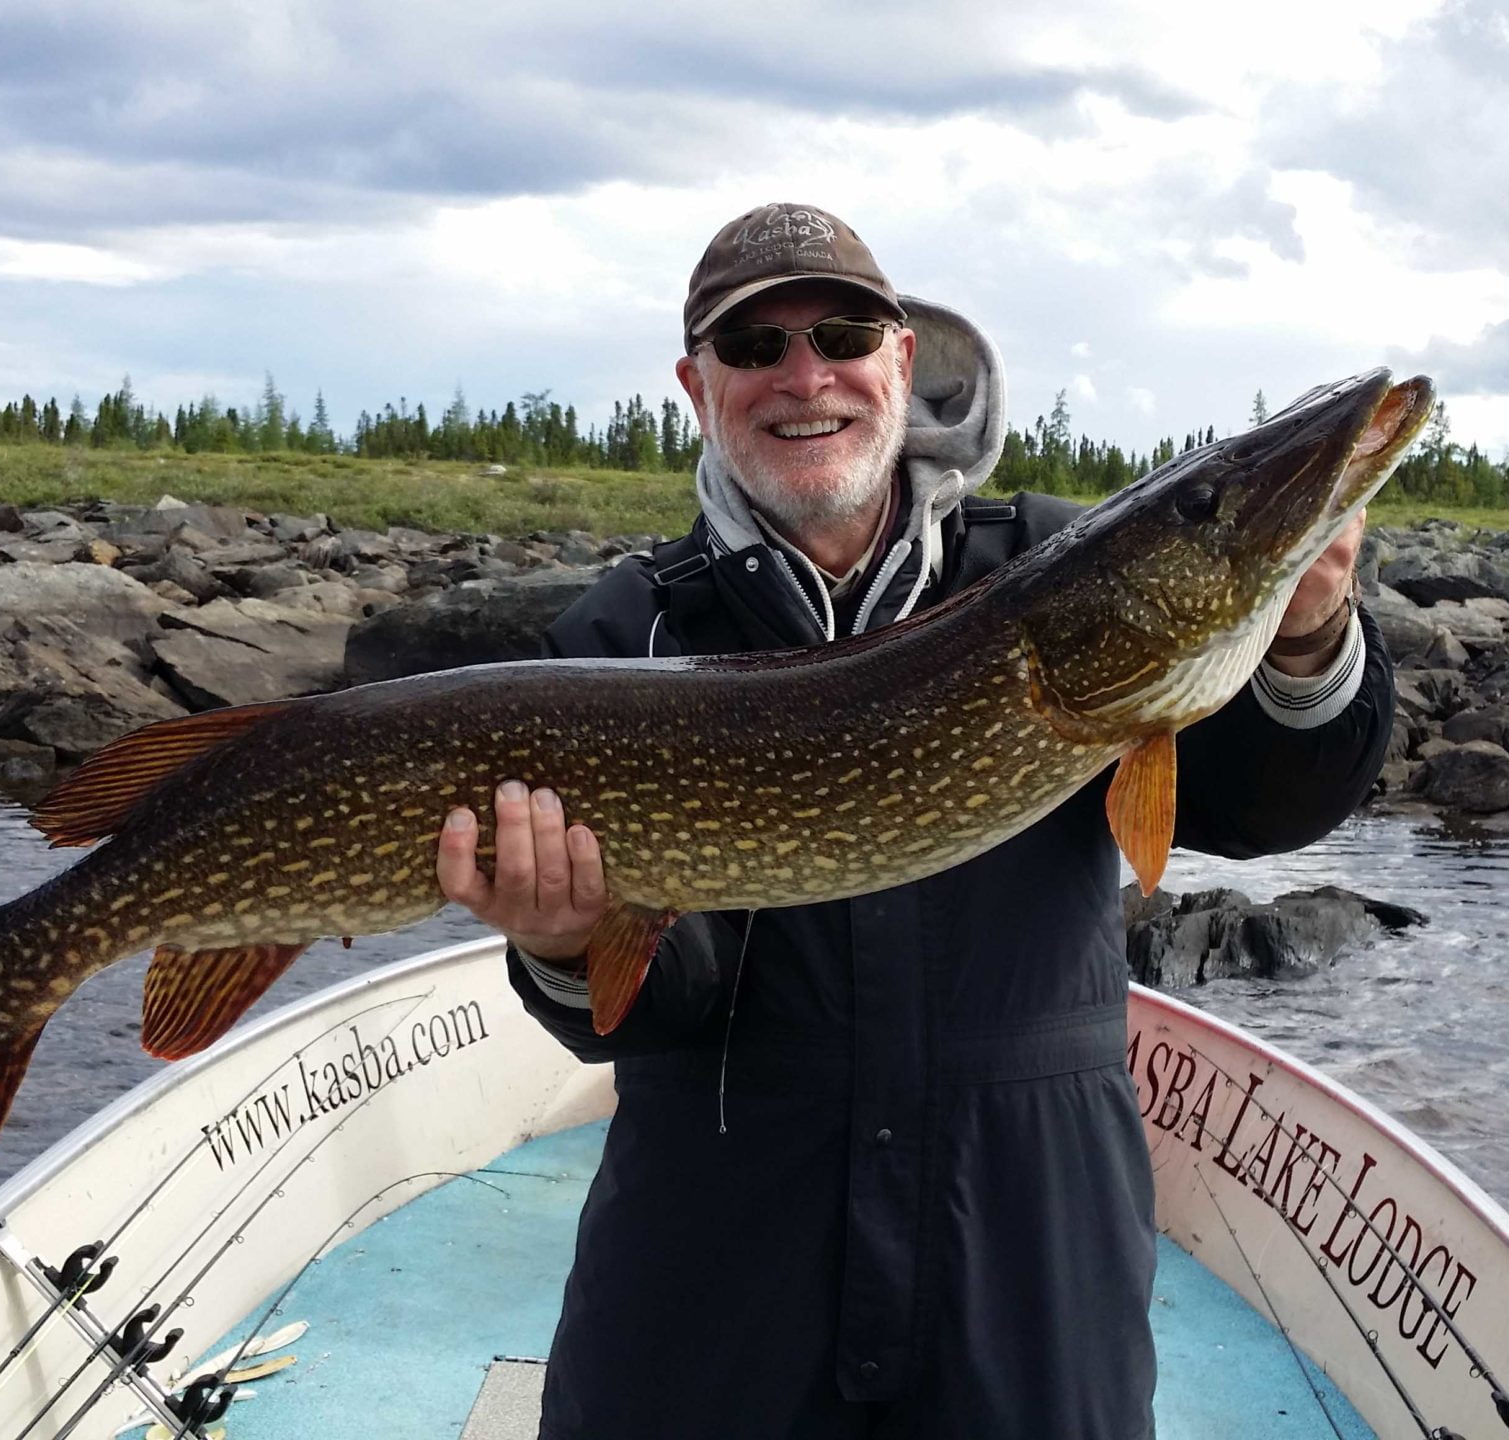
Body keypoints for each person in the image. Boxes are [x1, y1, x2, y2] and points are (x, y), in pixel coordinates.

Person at [434, 202, 1393, 1440]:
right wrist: (566, 945)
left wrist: (1306, 632)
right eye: (752, 348)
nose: (803, 375)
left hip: (1023, 1255)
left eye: (840, 333)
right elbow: (659, 1004)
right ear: (696, 384)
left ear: (900, 357)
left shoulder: (1047, 568)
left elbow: (1267, 806)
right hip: (720, 1274)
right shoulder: (626, 641)